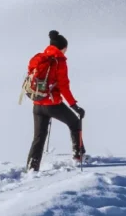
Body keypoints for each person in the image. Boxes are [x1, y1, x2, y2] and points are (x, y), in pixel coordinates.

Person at [26, 30, 86, 170]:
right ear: (62, 47)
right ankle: (78, 155)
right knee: (75, 122)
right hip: (53, 105)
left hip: (37, 103)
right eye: (66, 48)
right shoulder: (59, 62)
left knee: (39, 138)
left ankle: (32, 167)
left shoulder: (38, 58)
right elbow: (64, 87)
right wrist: (75, 106)